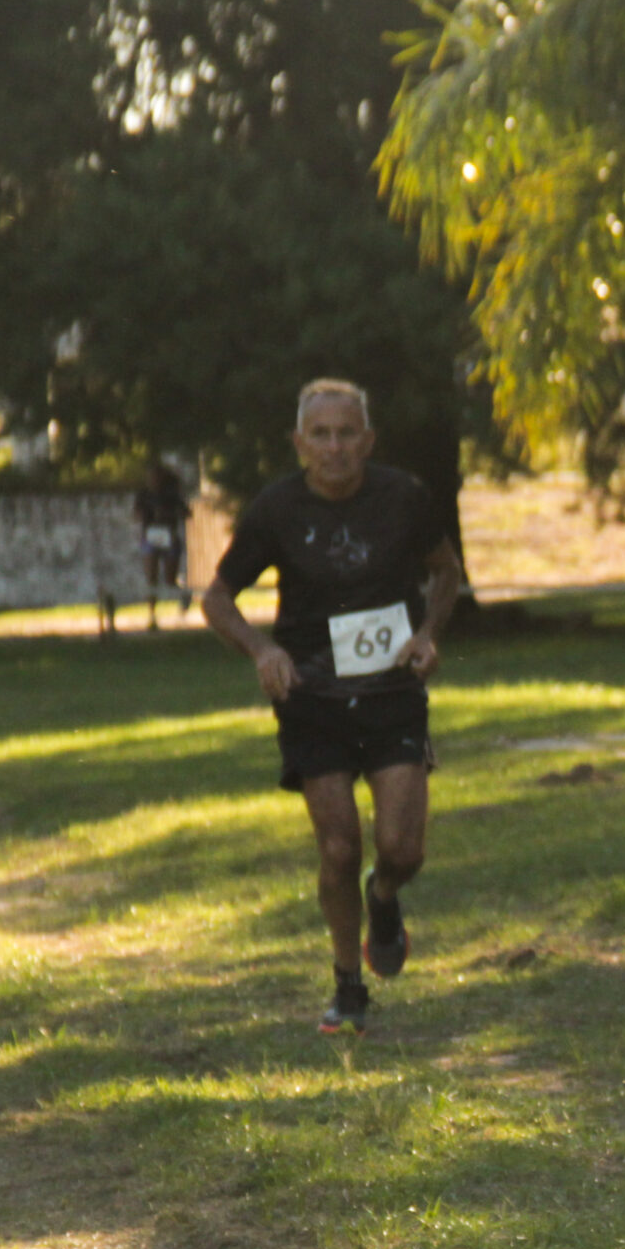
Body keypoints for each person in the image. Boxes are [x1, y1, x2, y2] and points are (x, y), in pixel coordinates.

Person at [202, 381, 463, 1035]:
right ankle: (348, 985)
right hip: (312, 699)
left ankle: (385, 895)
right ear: (299, 444)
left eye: (347, 433)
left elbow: (446, 570)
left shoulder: (403, 497)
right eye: (320, 434)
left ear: (368, 441)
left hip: (391, 696)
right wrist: (262, 650)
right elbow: (216, 598)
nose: (334, 446)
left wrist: (428, 632)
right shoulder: (276, 510)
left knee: (402, 850)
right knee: (339, 845)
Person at [134, 461, 191, 629]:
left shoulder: (171, 494)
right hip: (151, 537)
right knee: (151, 578)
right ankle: (152, 616)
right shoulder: (143, 494)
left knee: (169, 580)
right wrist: (145, 515)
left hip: (169, 536)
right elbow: (136, 513)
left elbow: (186, 512)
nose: (152, 480)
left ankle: (184, 595)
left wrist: (167, 513)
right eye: (149, 477)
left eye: (155, 477)